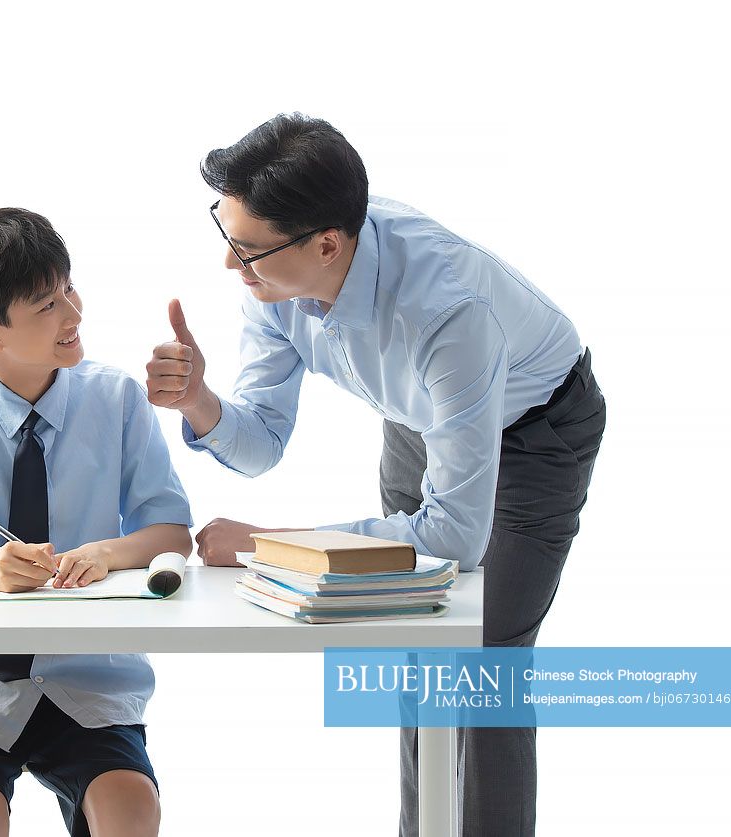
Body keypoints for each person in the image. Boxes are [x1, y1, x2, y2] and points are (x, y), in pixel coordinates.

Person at [145, 114, 605, 836]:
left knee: (483, 667)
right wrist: (200, 400)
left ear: (325, 244)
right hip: (421, 421)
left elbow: (453, 536)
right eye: (227, 239)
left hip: (533, 431)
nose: (231, 267)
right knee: (421, 656)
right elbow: (261, 441)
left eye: (247, 251)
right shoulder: (276, 282)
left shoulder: (448, 309)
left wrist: (270, 543)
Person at [0, 207, 192, 837]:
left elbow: (172, 533)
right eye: (46, 306)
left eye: (68, 288)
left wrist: (107, 551)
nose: (73, 315)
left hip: (88, 674)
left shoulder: (116, 398)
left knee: (131, 809)